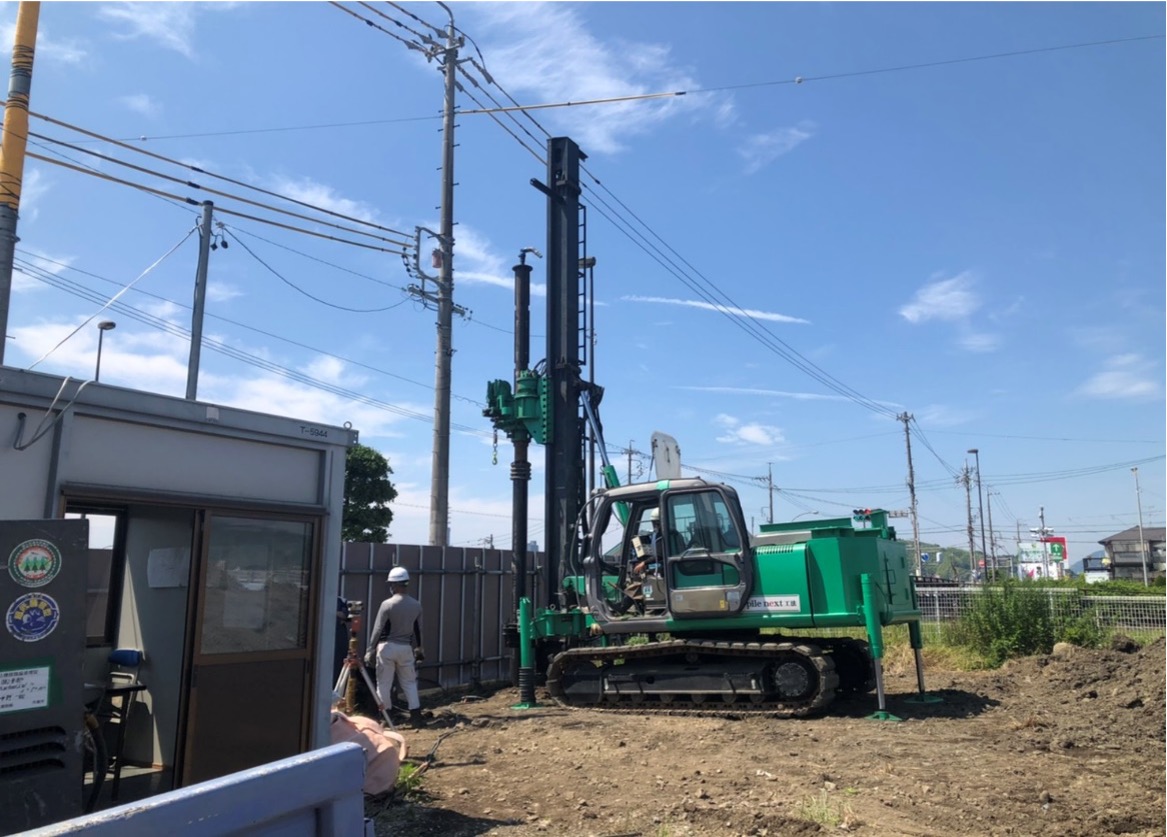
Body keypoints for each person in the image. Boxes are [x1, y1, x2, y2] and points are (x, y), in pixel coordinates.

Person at [366, 566, 426, 728]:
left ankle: (387, 717)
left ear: (395, 585)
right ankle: (416, 716)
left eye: (391, 584)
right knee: (409, 683)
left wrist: (370, 649)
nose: (390, 587)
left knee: (384, 684)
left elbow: (378, 628)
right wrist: (420, 647)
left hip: (387, 647)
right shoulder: (416, 604)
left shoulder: (387, 604)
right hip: (406, 648)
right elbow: (418, 628)